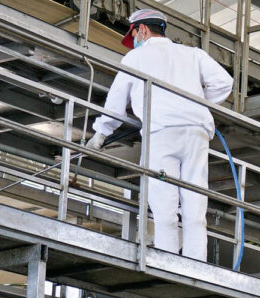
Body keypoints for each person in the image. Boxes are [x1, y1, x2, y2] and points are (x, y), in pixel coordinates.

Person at [89, 9, 233, 261]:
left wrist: (101, 132)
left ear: (142, 30)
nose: (134, 41)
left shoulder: (136, 57)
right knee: (195, 201)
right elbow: (224, 83)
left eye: (134, 34)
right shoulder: (193, 54)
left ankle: (168, 260)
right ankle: (196, 262)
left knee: (164, 202)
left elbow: (116, 100)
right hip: (196, 131)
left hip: (161, 132)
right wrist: (196, 104)